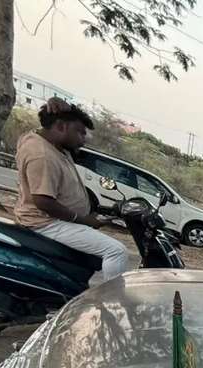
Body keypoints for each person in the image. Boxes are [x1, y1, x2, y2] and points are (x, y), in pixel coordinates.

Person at [14, 98, 127, 280]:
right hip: (46, 223)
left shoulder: (52, 144)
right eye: (80, 133)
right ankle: (113, 304)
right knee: (116, 251)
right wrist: (82, 220)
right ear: (60, 127)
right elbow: (43, 201)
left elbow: (47, 122)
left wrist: (56, 101)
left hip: (55, 220)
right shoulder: (42, 154)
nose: (83, 140)